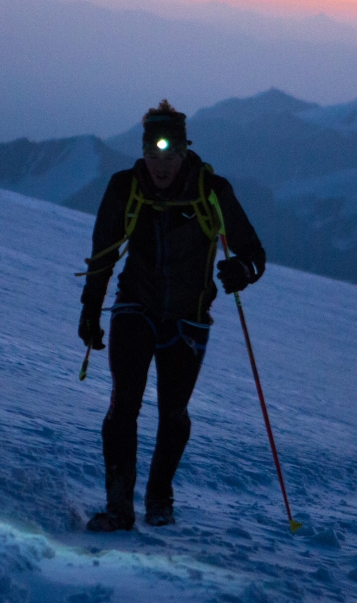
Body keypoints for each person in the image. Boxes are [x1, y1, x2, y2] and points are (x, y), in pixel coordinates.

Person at [77, 100, 266, 531]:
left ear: (185, 152)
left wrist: (241, 269)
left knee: (173, 412)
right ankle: (119, 508)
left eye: (171, 155)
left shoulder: (212, 191)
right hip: (135, 306)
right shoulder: (125, 188)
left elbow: (255, 253)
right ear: (142, 151)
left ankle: (159, 496)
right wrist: (91, 309)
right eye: (153, 154)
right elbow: (102, 257)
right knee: (123, 403)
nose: (161, 166)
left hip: (188, 315)